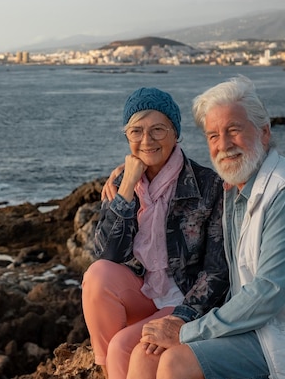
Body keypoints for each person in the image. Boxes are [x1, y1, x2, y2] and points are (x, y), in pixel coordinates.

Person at [124, 75, 285, 379]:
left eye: (234, 130)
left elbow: (266, 293)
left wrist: (186, 331)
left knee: (176, 362)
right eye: (213, 136)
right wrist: (129, 178)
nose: (224, 145)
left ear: (265, 132)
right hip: (263, 329)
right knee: (145, 354)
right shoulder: (237, 188)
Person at [81, 87, 229, 379]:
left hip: (184, 297)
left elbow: (217, 271)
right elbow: (106, 255)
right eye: (136, 131)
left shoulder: (208, 185)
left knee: (124, 345)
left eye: (158, 129)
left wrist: (183, 316)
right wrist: (125, 193)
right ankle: (108, 370)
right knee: (97, 275)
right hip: (144, 293)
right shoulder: (124, 182)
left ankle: (117, 366)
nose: (146, 140)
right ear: (127, 136)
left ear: (176, 133)